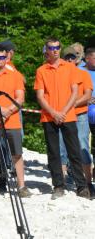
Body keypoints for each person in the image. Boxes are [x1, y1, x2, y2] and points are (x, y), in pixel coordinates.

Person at [34, 38, 90, 199]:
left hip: (68, 115)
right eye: (52, 48)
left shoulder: (70, 68)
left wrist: (64, 111)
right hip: (49, 116)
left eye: (58, 47)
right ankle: (58, 185)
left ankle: (81, 186)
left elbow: (74, 92)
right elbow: (40, 96)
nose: (55, 50)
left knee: (74, 151)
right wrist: (54, 112)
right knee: (54, 152)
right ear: (47, 50)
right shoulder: (41, 70)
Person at [0, 45, 32, 198]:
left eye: (2, 57)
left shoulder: (15, 76)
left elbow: (20, 98)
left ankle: (22, 186)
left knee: (17, 154)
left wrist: (8, 111)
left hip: (11, 120)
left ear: (7, 58)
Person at [59, 47, 93, 194]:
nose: (70, 60)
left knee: (82, 146)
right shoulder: (58, 75)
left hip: (80, 115)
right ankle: (62, 181)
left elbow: (87, 96)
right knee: (62, 148)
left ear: (78, 59)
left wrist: (69, 105)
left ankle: (87, 182)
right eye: (67, 58)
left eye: (73, 57)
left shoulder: (83, 74)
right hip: (63, 115)